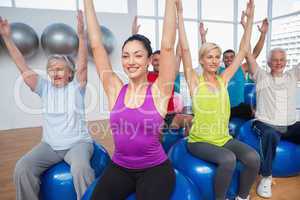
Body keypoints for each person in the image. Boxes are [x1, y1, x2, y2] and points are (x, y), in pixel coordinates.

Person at [84, 0, 177, 199]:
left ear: (148, 60)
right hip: (120, 167)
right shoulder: (115, 89)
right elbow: (96, 46)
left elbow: (168, 47)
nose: (131, 61)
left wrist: (171, 4)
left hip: (155, 169)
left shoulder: (160, 90)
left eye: (137, 55)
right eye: (125, 56)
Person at [0, 11, 94, 200]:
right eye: (51, 69)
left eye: (59, 68)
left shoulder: (77, 87)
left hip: (78, 144)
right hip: (49, 145)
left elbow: (83, 65)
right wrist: (7, 38)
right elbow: (22, 65)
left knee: (81, 169)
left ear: (70, 73)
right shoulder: (44, 88)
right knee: (22, 168)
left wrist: (82, 37)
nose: (54, 72)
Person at [177, 0, 260, 200]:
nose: (215, 60)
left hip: (223, 138)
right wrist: (179, 15)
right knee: (229, 159)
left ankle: (242, 197)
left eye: (217, 57)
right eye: (210, 57)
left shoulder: (223, 79)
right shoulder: (194, 81)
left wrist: (249, 20)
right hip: (199, 141)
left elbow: (242, 52)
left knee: (253, 158)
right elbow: (186, 51)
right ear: (202, 60)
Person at [246, 47, 300, 198]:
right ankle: (266, 177)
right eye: (275, 60)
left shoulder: (293, 76)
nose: (279, 63)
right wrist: (251, 26)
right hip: (266, 123)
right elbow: (248, 55)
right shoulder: (262, 77)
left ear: (286, 62)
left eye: (282, 60)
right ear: (269, 62)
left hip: (289, 124)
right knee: (270, 135)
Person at [131, 16, 193, 135]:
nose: (158, 62)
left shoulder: (170, 75)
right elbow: (136, 56)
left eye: (161, 59)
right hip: (153, 116)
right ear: (150, 62)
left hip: (170, 116)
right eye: (155, 60)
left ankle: (186, 146)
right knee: (156, 129)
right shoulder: (145, 75)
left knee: (192, 121)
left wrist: (179, 29)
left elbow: (179, 53)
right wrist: (134, 35)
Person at [200, 18, 269, 120]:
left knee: (253, 110)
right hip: (223, 109)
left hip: (239, 108)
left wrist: (263, 34)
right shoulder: (219, 71)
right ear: (223, 59)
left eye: (232, 57)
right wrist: (203, 37)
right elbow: (207, 54)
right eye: (226, 57)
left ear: (235, 57)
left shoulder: (242, 68)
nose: (229, 59)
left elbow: (254, 54)